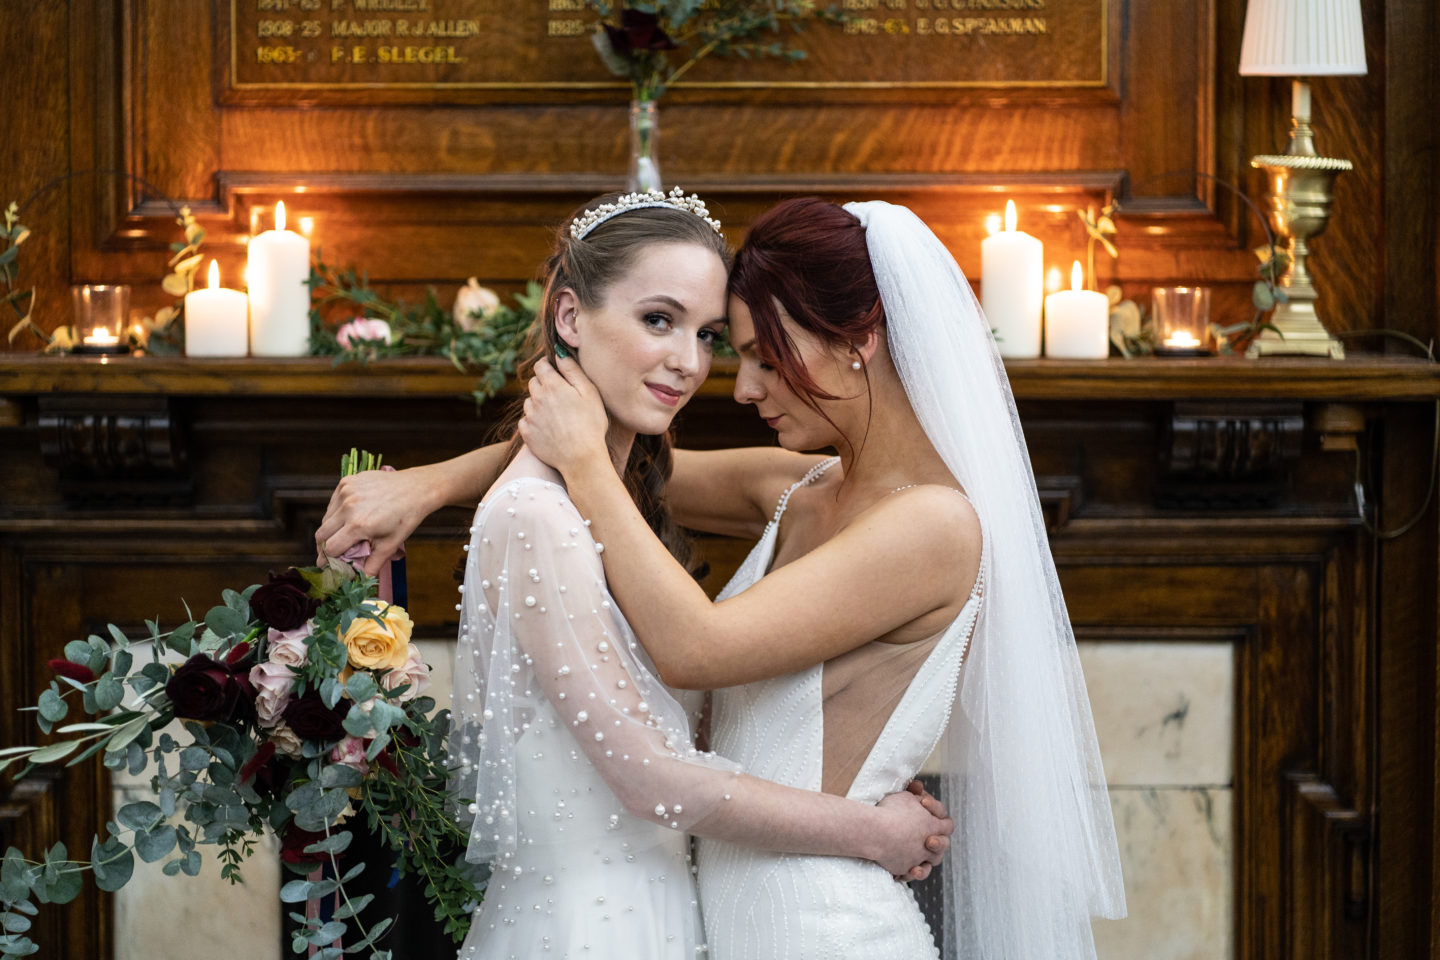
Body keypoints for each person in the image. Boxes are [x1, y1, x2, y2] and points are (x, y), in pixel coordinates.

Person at [318, 197, 1125, 959]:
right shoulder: (804, 487)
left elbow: (692, 644)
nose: (738, 387)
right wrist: (426, 483)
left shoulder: (932, 525)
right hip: (723, 920)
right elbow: (619, 459)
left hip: (826, 929)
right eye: (727, 351)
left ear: (859, 339)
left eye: (765, 359)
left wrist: (871, 830)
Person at [386, 190, 952, 960]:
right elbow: (658, 764)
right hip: (591, 930)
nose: (699, 367)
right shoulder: (545, 512)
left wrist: (547, 461)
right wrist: (872, 828)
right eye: (659, 320)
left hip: (686, 917)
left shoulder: (875, 509)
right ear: (571, 317)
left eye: (712, 336)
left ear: (861, 341)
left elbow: (691, 660)